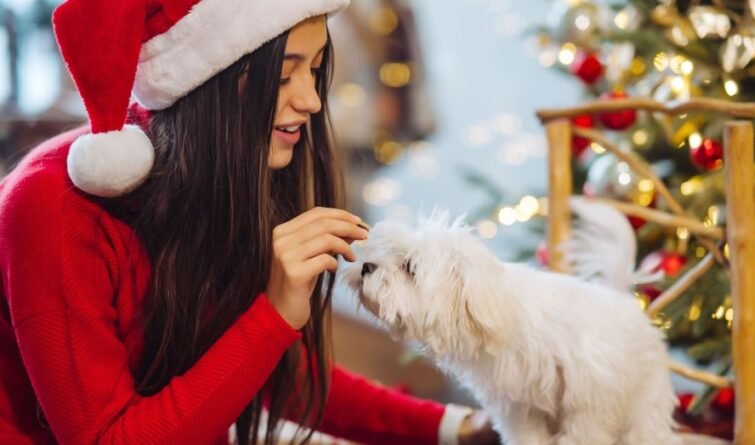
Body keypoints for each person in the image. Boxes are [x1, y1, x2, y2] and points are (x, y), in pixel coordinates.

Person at [0, 0, 501, 444]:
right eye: (285, 76)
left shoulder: (222, 181)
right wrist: (274, 313)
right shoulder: (53, 206)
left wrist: (449, 428)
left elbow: (262, 370)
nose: (311, 101)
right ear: (210, 80)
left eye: (316, 70)